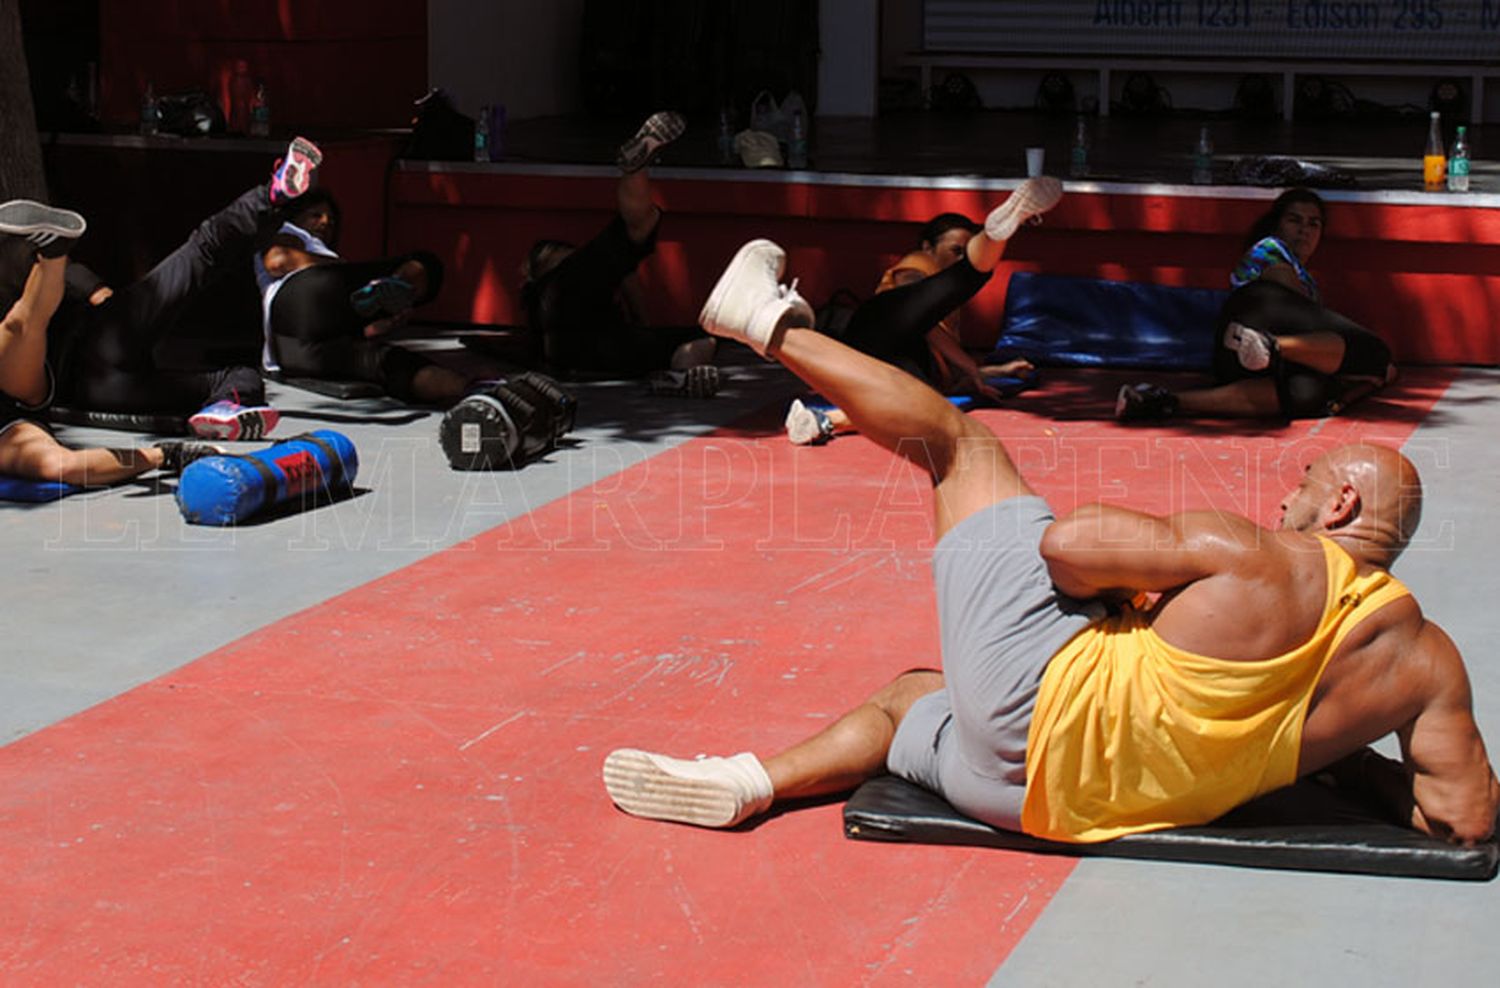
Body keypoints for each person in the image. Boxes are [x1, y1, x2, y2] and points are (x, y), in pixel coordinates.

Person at [601, 237, 1500, 846]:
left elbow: (1066, 546)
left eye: (1303, 487)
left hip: (1032, 717)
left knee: (960, 448)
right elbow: (1463, 819)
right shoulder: (1429, 664)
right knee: (909, 697)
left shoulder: (1255, 554)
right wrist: (1346, 767)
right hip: (1036, 804)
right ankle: (746, 784)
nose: (1285, 498)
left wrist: (1125, 595)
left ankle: (771, 322)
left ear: (1342, 502)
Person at [782, 193, 1055, 446]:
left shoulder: (948, 307)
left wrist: (992, 371)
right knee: (960, 281)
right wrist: (970, 367)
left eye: (964, 251)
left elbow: (945, 360)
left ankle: (822, 421)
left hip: (898, 358)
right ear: (928, 247)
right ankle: (995, 234)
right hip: (878, 329)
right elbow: (915, 307)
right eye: (955, 250)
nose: (957, 257)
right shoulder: (920, 262)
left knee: (919, 407)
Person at [1117, 188, 1396, 421]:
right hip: (1248, 321)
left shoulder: (1308, 281)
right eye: (1294, 220)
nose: (1304, 230)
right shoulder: (1270, 249)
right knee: (1375, 353)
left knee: (1309, 391)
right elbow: (1283, 284)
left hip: (1240, 364)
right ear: (1276, 225)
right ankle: (1270, 345)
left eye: (1314, 223)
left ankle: (1161, 401)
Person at [0, 202, 225, 485]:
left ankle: (53, 248)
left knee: (18, 325)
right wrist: (159, 456)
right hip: (9, 424)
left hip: (10, 379)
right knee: (61, 467)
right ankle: (165, 455)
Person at [521, 110, 721, 398]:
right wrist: (642, 320)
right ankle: (681, 373)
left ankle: (680, 378)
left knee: (636, 231)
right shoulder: (565, 274)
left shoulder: (542, 299)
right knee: (636, 229)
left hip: (576, 355)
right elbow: (623, 273)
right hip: (597, 336)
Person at [256, 184, 465, 405]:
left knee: (395, 365)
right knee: (427, 263)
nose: (326, 223)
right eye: (315, 215)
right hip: (297, 300)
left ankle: (472, 391)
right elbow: (277, 261)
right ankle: (398, 281)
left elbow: (368, 331)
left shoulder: (316, 252)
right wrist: (342, 266)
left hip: (295, 355)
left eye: (331, 220)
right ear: (295, 216)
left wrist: (386, 322)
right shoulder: (289, 233)